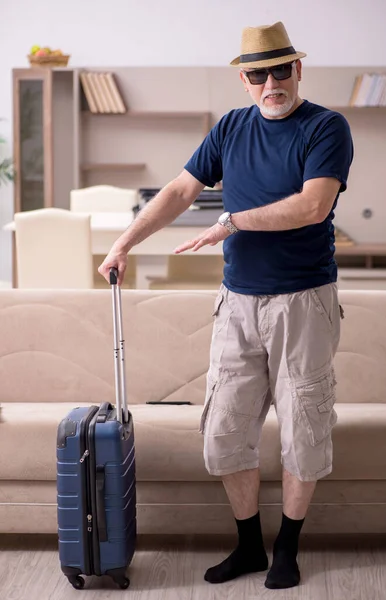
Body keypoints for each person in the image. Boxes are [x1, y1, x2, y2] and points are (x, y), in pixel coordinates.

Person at [99, 21, 354, 590]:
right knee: (225, 430)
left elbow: (313, 206)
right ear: (244, 79)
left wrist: (231, 222)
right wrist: (124, 243)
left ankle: (287, 548)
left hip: (303, 303)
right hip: (237, 304)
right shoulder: (231, 128)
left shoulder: (326, 127)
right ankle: (249, 547)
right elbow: (179, 191)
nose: (270, 83)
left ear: (298, 70)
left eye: (280, 70)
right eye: (257, 74)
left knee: (303, 430)